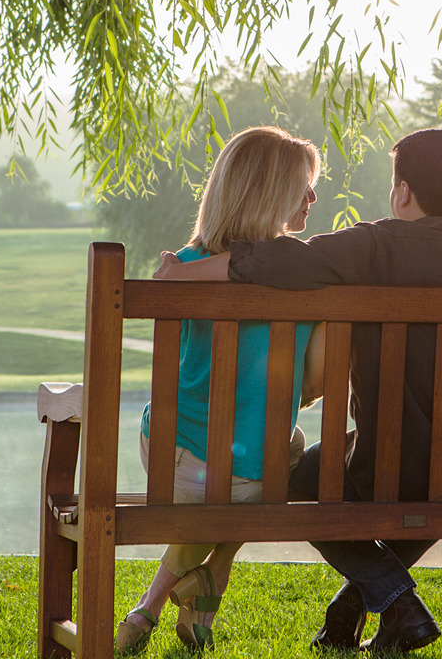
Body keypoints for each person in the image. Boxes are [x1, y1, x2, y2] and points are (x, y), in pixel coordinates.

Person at [154, 128, 442, 654]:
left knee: (303, 474)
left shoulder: (375, 247)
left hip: (391, 470)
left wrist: (184, 276)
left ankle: (397, 602)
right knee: (425, 475)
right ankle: (351, 607)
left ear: (402, 193)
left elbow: (279, 259)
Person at [116, 126, 324, 655]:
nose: (313, 197)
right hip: (254, 472)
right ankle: (216, 575)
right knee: (284, 447)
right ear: (271, 191)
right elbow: (305, 393)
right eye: (304, 185)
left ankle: (147, 609)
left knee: (242, 465)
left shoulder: (182, 270)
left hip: (171, 459)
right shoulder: (308, 275)